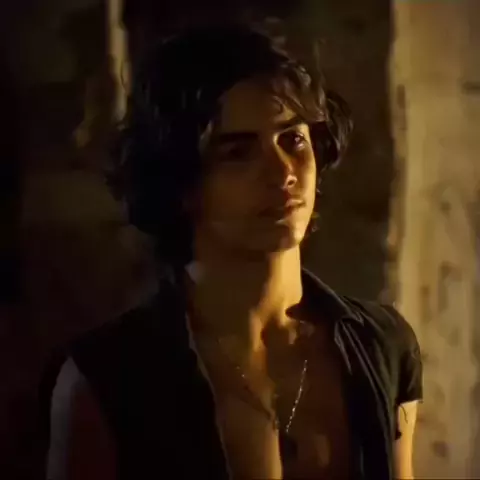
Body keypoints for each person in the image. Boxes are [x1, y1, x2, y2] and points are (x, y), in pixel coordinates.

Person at [42, 24, 422, 480]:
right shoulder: (107, 378)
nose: (282, 173)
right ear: (182, 183)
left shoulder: (383, 344)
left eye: (293, 140)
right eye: (238, 153)